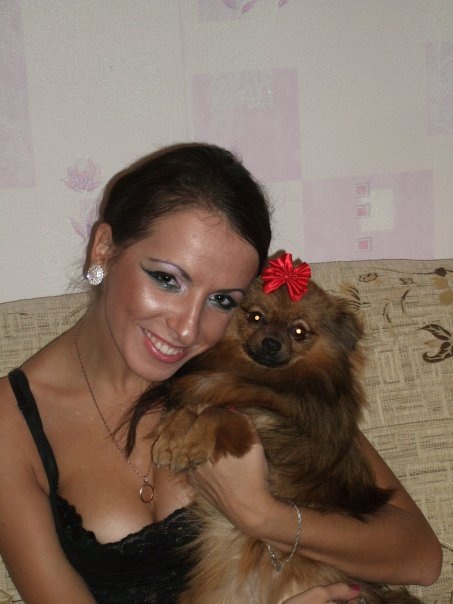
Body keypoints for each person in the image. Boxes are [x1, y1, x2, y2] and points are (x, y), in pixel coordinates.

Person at [0, 143, 441, 604]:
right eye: (167, 279)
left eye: (222, 300)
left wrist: (262, 516)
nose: (188, 328)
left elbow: (420, 558)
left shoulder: (246, 370)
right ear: (104, 248)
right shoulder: (12, 425)